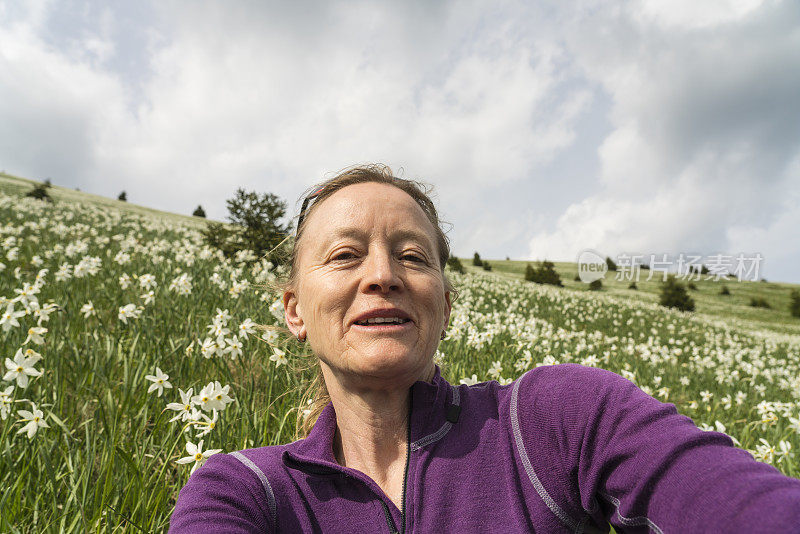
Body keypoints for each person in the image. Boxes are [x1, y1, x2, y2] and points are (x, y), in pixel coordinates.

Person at [169, 164, 800, 533]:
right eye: (344, 256)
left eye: (413, 257)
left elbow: (743, 505)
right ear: (294, 311)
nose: (381, 275)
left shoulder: (556, 417)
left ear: (445, 304)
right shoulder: (245, 491)